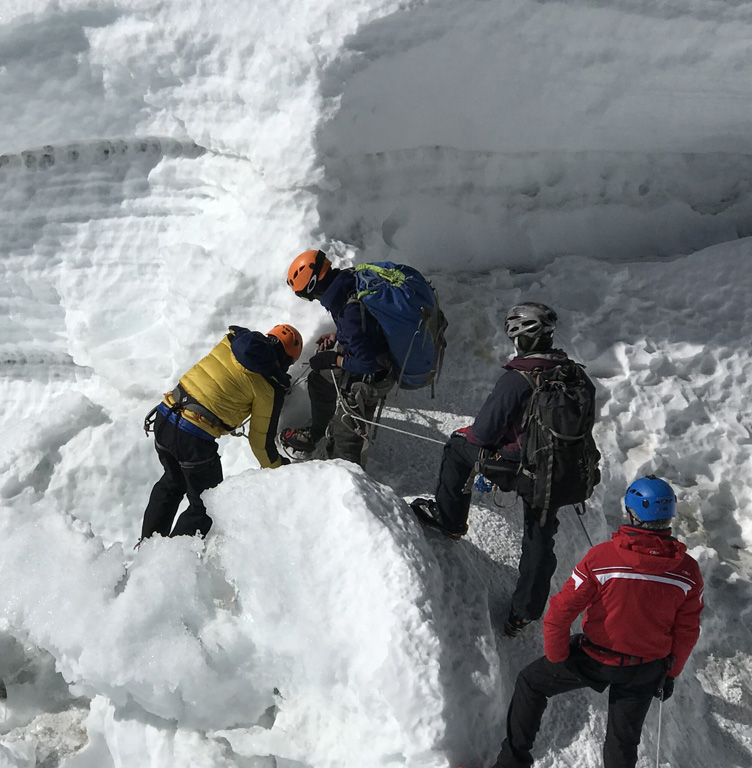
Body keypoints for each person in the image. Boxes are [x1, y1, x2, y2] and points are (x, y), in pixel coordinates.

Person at [488, 476, 703, 768]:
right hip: (646, 669)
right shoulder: (688, 572)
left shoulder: (601, 558)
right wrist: (671, 673)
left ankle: (511, 763)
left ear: (632, 514)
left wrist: (557, 657)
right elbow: (687, 631)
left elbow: (560, 612)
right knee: (622, 743)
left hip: (595, 659)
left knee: (531, 682)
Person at [411, 302, 596, 636]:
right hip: (564, 471)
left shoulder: (519, 378)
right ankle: (522, 614)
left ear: (519, 338)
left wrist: (470, 436)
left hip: (521, 467)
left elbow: (482, 433)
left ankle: (449, 519)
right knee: (540, 536)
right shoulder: (575, 374)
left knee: (457, 448)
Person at [139, 324, 302, 541]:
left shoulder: (232, 342)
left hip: (165, 415)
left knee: (172, 483)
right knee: (208, 505)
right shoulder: (268, 387)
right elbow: (260, 444)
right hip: (192, 437)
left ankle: (146, 547)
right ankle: (165, 566)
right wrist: (280, 469)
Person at [280, 249, 395, 466]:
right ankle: (318, 430)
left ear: (314, 285)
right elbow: (360, 324)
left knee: (346, 436)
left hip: (376, 371)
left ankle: (346, 477)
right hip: (375, 349)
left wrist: (334, 360)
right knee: (319, 380)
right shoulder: (347, 282)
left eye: (307, 294)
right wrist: (336, 335)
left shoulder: (346, 308)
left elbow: (366, 364)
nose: (311, 299)